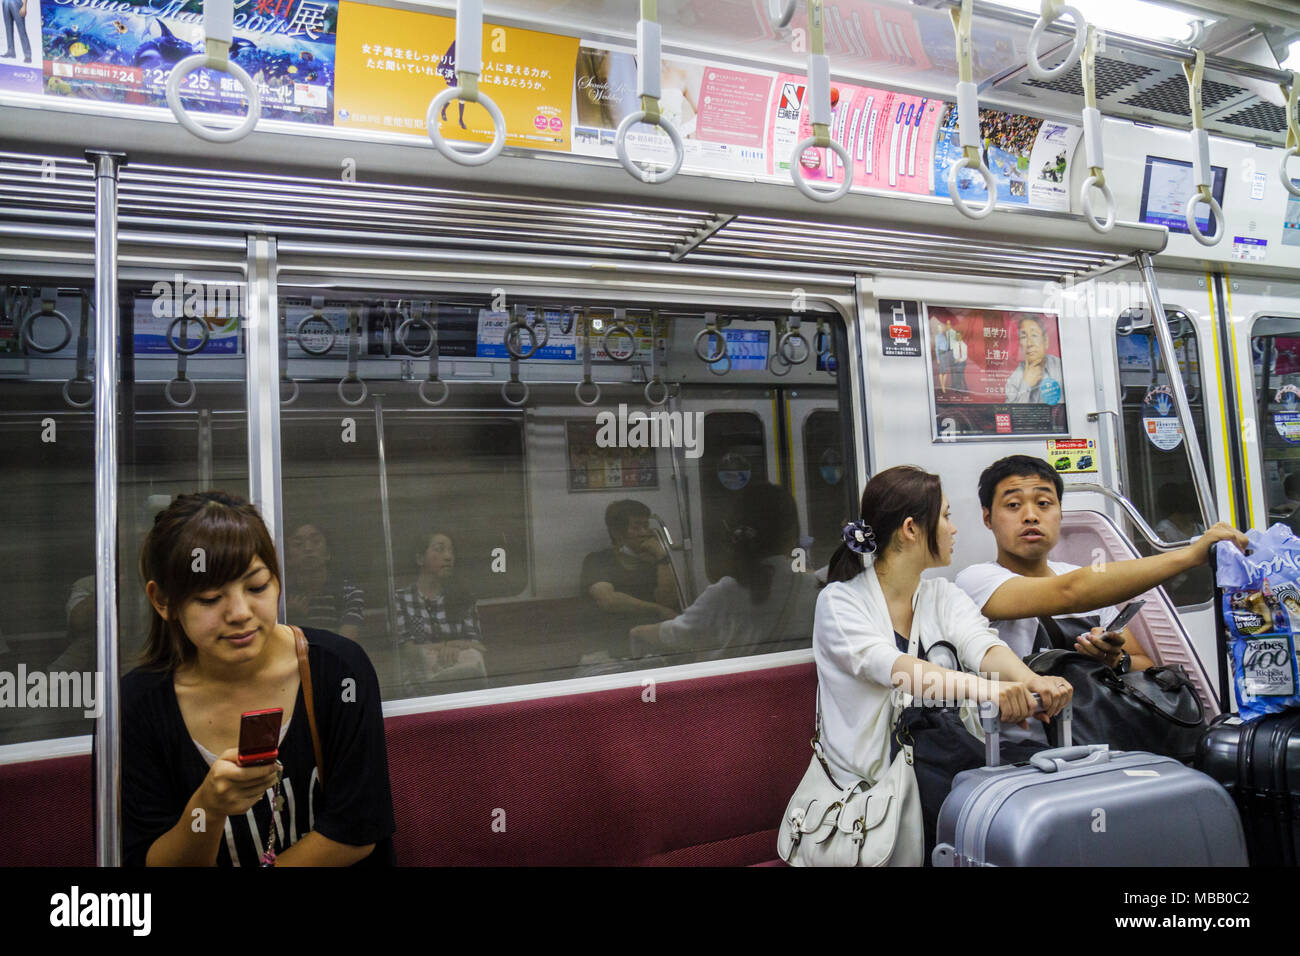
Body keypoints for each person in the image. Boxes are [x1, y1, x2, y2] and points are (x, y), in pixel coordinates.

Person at [119, 491, 395, 866]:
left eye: (256, 587)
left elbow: (357, 830)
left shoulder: (339, 670)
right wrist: (208, 809)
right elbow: (148, 860)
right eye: (210, 597)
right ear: (163, 601)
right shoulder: (137, 707)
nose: (240, 612)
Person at [813, 465, 1072, 808]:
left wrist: (1030, 681)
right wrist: (988, 689)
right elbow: (898, 670)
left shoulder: (942, 596)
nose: (953, 529)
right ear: (911, 529)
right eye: (946, 517)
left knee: (1043, 783)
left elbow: (982, 645)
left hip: (943, 759)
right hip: (874, 781)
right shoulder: (840, 602)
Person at [955, 456, 1248, 702]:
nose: (1031, 516)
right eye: (1013, 505)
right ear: (987, 517)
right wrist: (1188, 556)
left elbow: (1143, 663)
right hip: (1023, 741)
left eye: (1044, 503)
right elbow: (1070, 593)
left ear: (1059, 512)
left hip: (1094, 732)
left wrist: (1114, 658)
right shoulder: (976, 580)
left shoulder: (1078, 575)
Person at [630, 482, 818, 663]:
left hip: (737, 692)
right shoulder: (815, 588)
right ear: (792, 534)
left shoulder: (726, 593)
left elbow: (682, 634)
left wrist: (639, 632)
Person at [579, 499, 680, 662]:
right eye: (636, 527)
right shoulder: (598, 560)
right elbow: (608, 600)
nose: (644, 532)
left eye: (646, 526)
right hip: (612, 647)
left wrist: (662, 557)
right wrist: (657, 610)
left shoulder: (652, 564)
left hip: (651, 646)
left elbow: (667, 600)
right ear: (617, 532)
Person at [393, 530, 486, 683]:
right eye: (440, 549)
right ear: (420, 559)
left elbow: (478, 647)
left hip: (463, 679)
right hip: (420, 686)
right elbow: (407, 650)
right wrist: (447, 646)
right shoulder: (401, 599)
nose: (448, 557)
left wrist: (450, 649)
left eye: (451, 551)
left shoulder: (463, 597)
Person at [284, 523, 364, 642]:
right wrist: (287, 616)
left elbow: (345, 646)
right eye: (298, 544)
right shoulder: (280, 598)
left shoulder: (349, 593)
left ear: (328, 554)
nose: (308, 548)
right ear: (288, 559)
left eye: (315, 541)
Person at [1004, 315, 1064, 404]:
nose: (1029, 343)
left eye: (1034, 335)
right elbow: (1011, 415)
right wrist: (1026, 385)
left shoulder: (1060, 367)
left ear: (1046, 341)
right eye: (1024, 337)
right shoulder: (1014, 378)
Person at [950, 328, 969, 395]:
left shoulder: (964, 345)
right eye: (956, 336)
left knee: (959, 371)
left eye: (959, 335)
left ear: (961, 336)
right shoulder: (955, 344)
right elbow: (954, 354)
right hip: (956, 361)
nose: (958, 337)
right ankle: (965, 387)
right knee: (960, 373)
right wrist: (956, 359)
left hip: (962, 362)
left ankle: (959, 387)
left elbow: (965, 357)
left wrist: (959, 360)